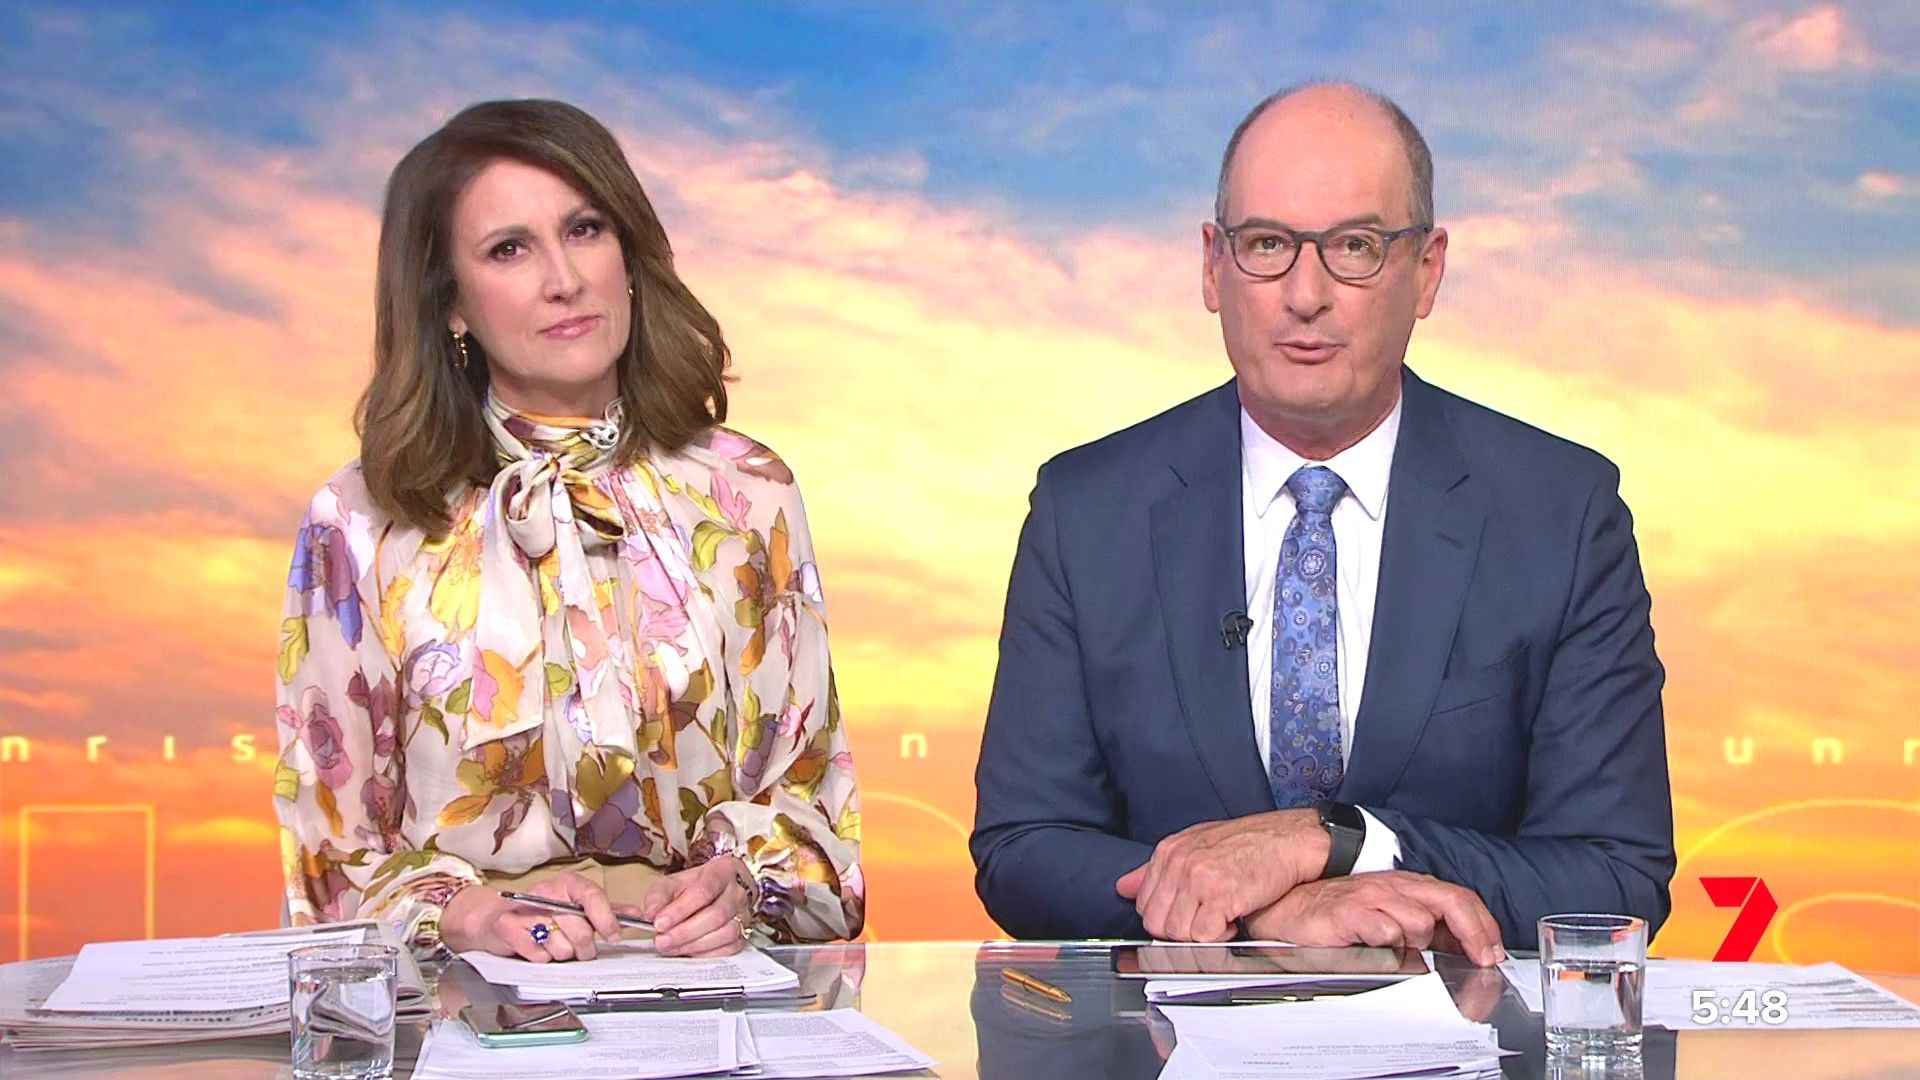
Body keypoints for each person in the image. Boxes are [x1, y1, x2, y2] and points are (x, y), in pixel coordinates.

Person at [971, 81, 1673, 962]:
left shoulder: (1562, 513)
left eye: (1355, 248)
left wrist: (1337, 841)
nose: (1306, 294)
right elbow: (1024, 850)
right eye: (1267, 244)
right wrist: (1262, 913)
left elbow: (1615, 876)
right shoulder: (1085, 512)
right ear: (1212, 266)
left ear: (1428, 271)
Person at [273, 99, 862, 962]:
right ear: (449, 303)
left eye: (584, 230)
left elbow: (815, 811)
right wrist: (467, 915)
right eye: (509, 249)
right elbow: (331, 870)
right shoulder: (360, 520)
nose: (564, 279)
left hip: (707, 987)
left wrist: (742, 882)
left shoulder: (748, 492)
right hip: (464, 997)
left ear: (629, 253)